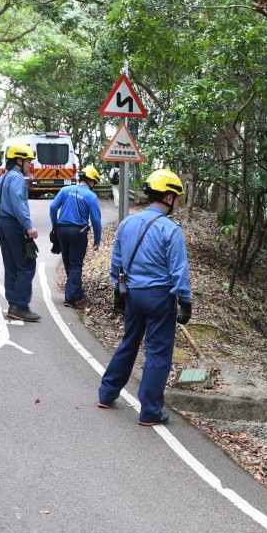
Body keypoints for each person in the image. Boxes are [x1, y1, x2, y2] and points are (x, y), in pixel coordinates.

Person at [97, 169, 191, 425]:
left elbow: (117, 262)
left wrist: (118, 289)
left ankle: (106, 394)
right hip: (160, 298)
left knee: (129, 342)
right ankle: (150, 411)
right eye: (176, 198)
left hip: (133, 295)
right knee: (158, 352)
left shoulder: (127, 223)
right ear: (168, 197)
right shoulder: (171, 229)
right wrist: (184, 300)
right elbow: (179, 269)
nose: (177, 203)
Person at [0, 144, 41, 322]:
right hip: (14, 224)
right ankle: (20, 306)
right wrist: (28, 225)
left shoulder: (2, 178)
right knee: (27, 265)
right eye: (28, 162)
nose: (30, 165)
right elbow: (17, 202)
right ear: (19, 161)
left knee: (11, 265)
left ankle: (13, 304)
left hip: (4, 225)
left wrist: (1, 223)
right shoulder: (17, 178)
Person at [50, 165, 103, 308]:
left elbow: (53, 207)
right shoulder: (91, 196)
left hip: (61, 230)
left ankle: (77, 291)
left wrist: (55, 226)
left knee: (68, 262)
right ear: (91, 181)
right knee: (75, 264)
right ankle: (71, 298)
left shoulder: (65, 190)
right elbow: (96, 220)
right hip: (77, 233)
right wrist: (97, 240)